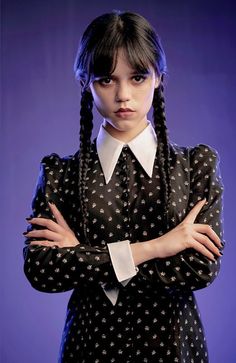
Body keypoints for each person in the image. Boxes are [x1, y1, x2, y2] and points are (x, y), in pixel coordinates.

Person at [23, 10, 224, 363]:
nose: (123, 95)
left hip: (174, 348)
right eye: (106, 79)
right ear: (85, 81)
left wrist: (80, 253)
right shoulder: (60, 174)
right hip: (89, 348)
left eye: (137, 77)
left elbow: (198, 269)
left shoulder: (196, 166)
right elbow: (42, 270)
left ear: (159, 77)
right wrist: (159, 246)